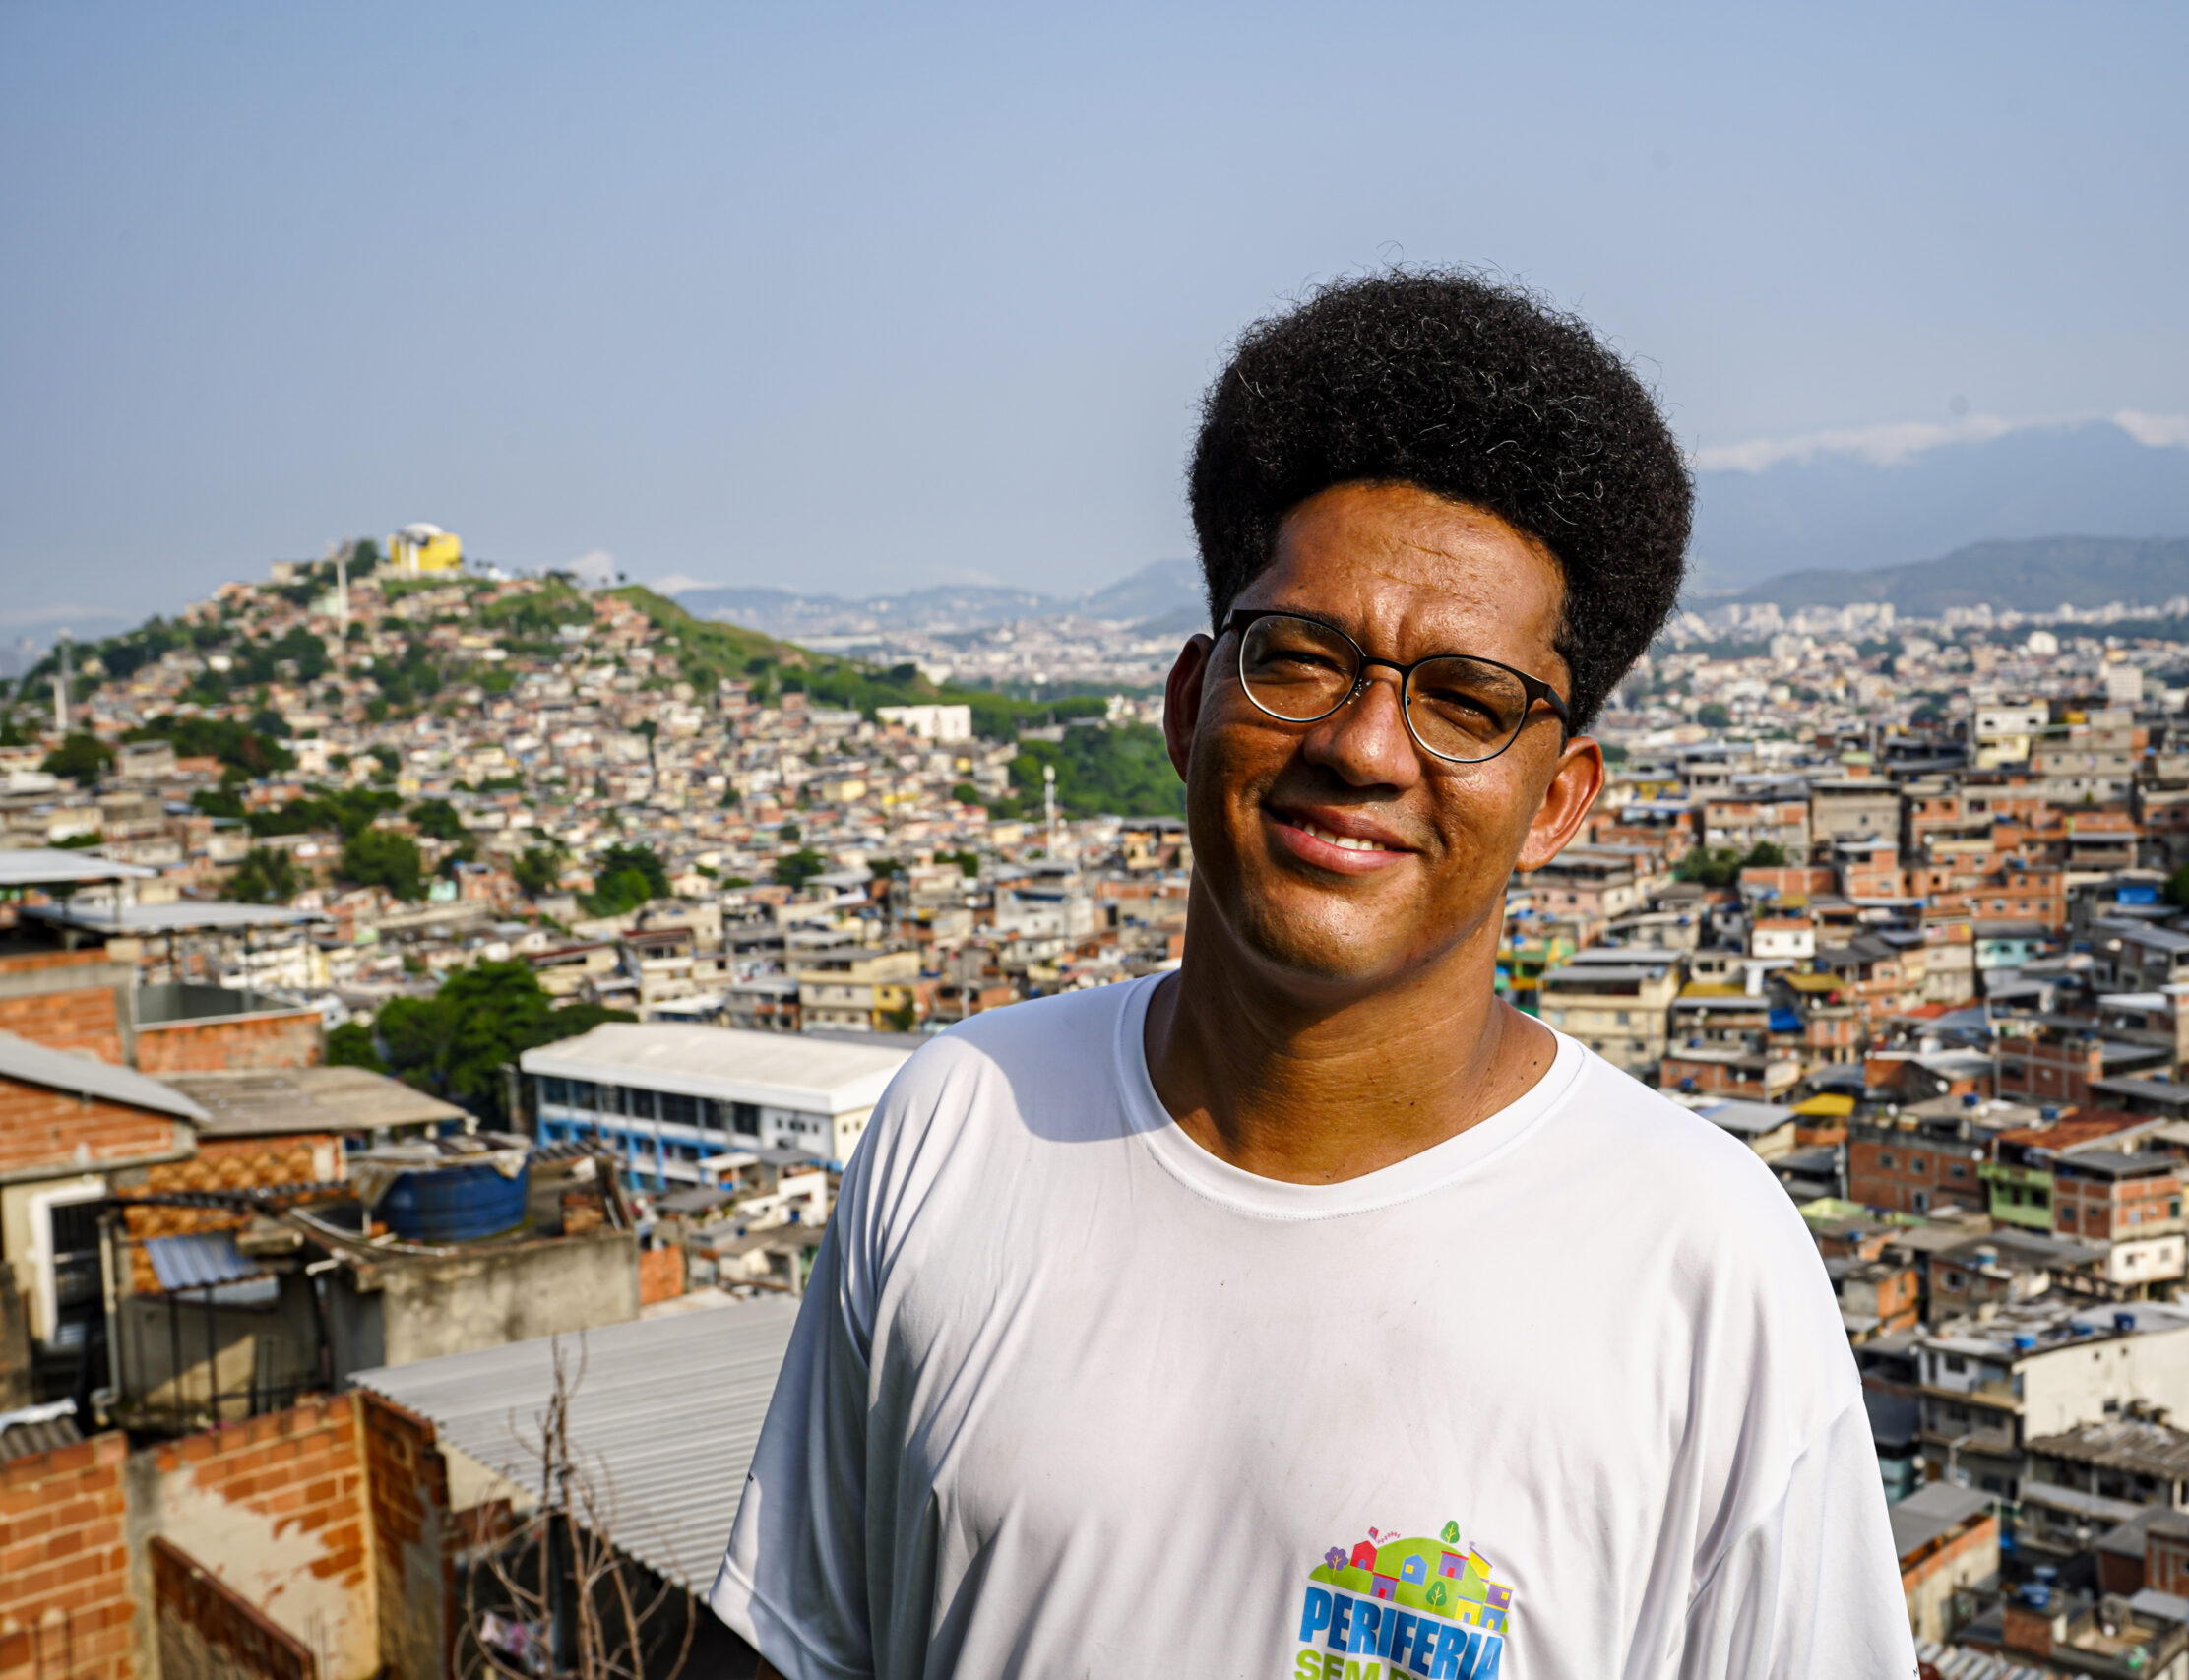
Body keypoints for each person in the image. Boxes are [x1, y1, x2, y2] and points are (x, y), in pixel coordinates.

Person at [711, 270, 1912, 1679]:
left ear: (1561, 802)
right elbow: (791, 1646)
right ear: (1186, 703)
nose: (1364, 747)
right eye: (1299, 658)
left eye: (1466, 702)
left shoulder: (1699, 1264)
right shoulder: (961, 1122)